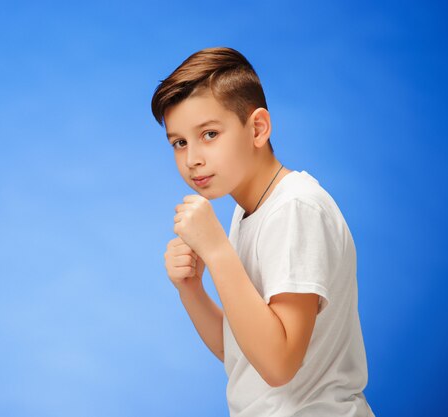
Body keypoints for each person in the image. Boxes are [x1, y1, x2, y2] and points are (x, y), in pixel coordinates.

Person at [152, 47, 375, 417]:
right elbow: (243, 351)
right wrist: (190, 289)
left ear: (257, 128)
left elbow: (278, 364)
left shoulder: (295, 208)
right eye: (180, 142)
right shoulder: (249, 210)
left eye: (209, 134)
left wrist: (217, 251)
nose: (192, 159)